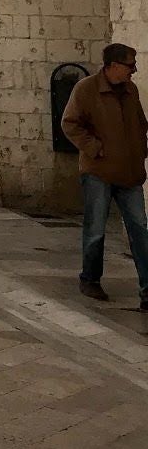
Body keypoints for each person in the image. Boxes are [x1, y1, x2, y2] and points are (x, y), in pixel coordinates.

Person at [62, 43, 148, 309]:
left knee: (140, 231)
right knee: (96, 229)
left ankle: (147, 290)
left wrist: (140, 149)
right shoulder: (86, 89)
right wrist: (95, 149)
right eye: (129, 65)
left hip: (130, 173)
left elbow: (139, 122)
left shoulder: (130, 90)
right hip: (99, 171)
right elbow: (70, 123)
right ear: (112, 66)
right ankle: (90, 278)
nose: (133, 70)